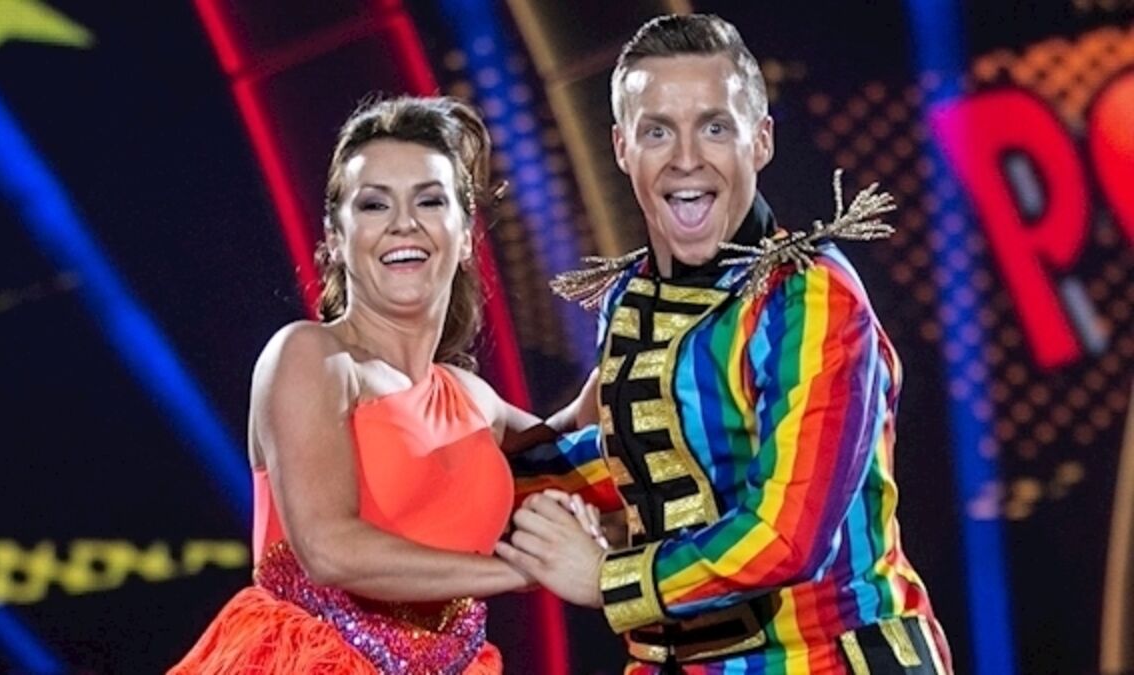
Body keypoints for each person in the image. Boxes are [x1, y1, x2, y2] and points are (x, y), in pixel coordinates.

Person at [498, 14, 955, 674]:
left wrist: (606, 579)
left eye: (715, 127)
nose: (686, 157)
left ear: (760, 140)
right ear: (622, 147)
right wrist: (478, 473)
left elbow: (786, 536)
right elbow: (639, 459)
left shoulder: (809, 296)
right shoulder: (628, 296)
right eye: (658, 131)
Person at [170, 96, 599, 675]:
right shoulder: (311, 357)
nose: (403, 223)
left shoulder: (473, 400)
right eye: (374, 204)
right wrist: (522, 572)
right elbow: (329, 550)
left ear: (465, 234)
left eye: (429, 200)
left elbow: (578, 455)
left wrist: (643, 363)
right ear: (336, 237)